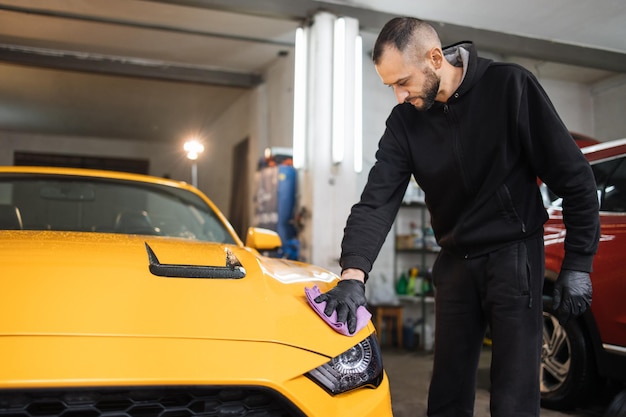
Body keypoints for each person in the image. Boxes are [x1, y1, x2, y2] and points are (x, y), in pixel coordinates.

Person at [315, 17, 600, 417]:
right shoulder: (404, 123)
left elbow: (574, 176)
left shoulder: (509, 86)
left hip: (514, 255)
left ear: (435, 58)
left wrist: (578, 263)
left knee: (513, 395)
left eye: (403, 82)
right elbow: (377, 201)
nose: (399, 96)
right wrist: (352, 276)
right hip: (455, 262)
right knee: (446, 395)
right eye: (391, 86)